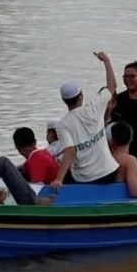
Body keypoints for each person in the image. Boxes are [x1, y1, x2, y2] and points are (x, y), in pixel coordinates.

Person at [52, 52, 122, 189]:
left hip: (84, 180)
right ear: (81, 96)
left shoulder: (62, 124)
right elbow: (112, 86)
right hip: (109, 173)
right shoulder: (95, 107)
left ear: (64, 101)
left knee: (64, 169)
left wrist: (58, 179)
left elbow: (70, 152)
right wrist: (106, 60)